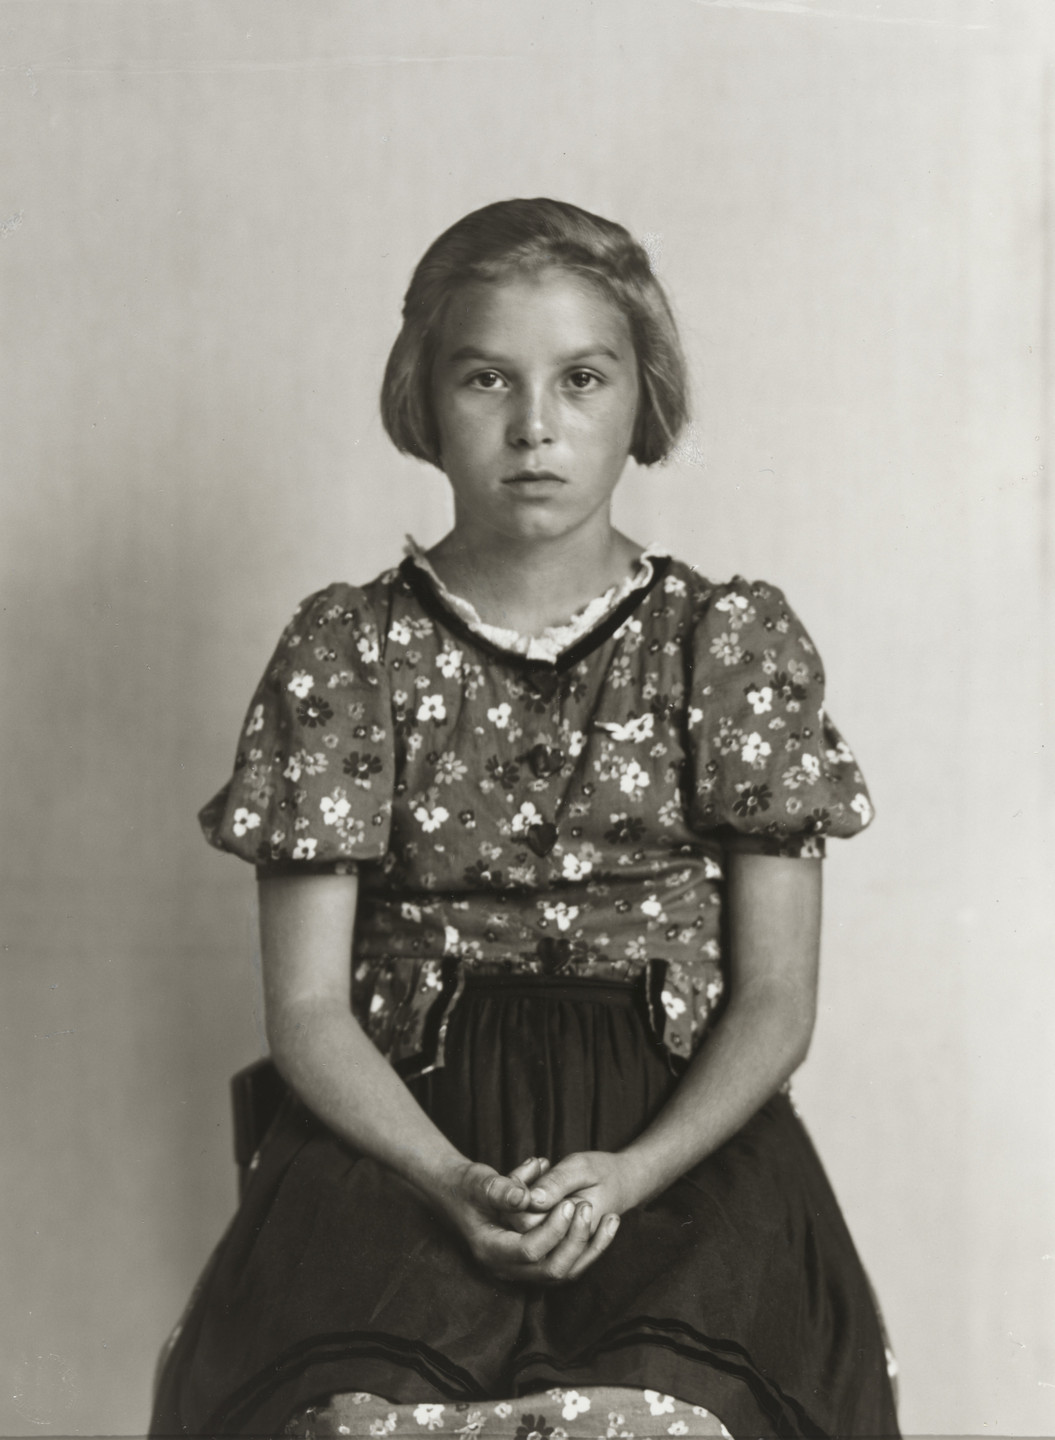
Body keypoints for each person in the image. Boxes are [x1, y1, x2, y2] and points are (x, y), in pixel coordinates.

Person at [150, 198, 899, 1439]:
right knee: (351, 1413)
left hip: (674, 1149)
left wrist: (632, 1175)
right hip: (403, 1142)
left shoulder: (724, 643)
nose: (534, 426)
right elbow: (305, 1009)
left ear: (639, 401)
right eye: (486, 377)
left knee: (661, 1415)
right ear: (423, 400)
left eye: (582, 379)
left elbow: (775, 1001)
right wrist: (448, 1181)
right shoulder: (348, 651)